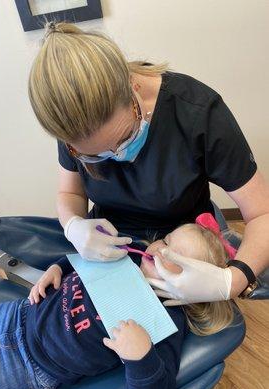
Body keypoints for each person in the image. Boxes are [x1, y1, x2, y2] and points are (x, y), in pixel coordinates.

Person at [28, 22, 269, 306]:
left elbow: (261, 214)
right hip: (112, 244)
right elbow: (70, 193)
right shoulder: (73, 122)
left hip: (183, 247)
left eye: (124, 137)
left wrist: (231, 281)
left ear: (133, 87)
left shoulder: (197, 112)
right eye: (95, 155)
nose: (117, 155)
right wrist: (73, 225)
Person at [0, 216, 234, 389]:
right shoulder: (129, 252)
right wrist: (58, 267)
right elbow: (85, 257)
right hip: (16, 314)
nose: (161, 252)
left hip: (26, 366)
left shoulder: (166, 320)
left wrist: (141, 356)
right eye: (166, 240)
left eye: (178, 258)